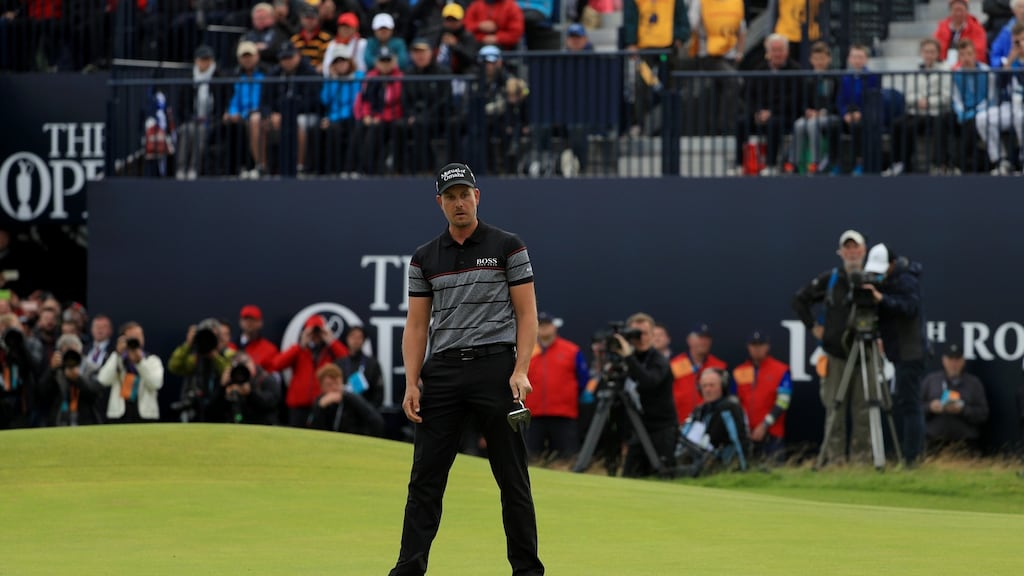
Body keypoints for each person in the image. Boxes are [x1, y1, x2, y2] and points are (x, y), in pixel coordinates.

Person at [390, 162, 543, 576]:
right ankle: (408, 569)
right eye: (451, 196)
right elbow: (417, 324)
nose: (459, 203)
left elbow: (527, 315)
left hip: (496, 368)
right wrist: (412, 381)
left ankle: (527, 571)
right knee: (425, 479)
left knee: (513, 480)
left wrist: (521, 369)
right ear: (439, 203)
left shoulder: (508, 245)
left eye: (465, 194)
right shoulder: (425, 257)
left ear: (478, 196)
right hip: (443, 373)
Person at [792, 229, 870, 464]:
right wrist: (813, 326)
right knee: (834, 413)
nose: (852, 252)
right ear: (840, 252)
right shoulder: (832, 279)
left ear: (864, 250)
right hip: (835, 355)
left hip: (865, 356)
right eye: (847, 248)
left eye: (855, 247)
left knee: (864, 412)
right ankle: (835, 462)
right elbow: (799, 300)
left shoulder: (872, 279)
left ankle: (862, 463)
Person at [862, 243, 928, 465]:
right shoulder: (888, 281)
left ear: (892, 264)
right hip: (899, 352)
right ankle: (913, 456)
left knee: (910, 405)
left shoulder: (907, 280)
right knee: (907, 404)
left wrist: (881, 299)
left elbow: (910, 308)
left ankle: (912, 459)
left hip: (911, 352)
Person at [524, 312, 588, 463]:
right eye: (541, 323)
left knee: (567, 459)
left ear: (555, 326)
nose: (544, 327)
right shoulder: (527, 350)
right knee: (530, 460)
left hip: (563, 415)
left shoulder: (571, 350)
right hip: (533, 415)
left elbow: (583, 380)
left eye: (547, 324)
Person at [733, 34, 801, 176]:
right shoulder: (759, 70)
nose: (777, 54)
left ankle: (771, 165)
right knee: (741, 122)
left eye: (780, 50)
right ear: (768, 52)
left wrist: (771, 112)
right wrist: (757, 112)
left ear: (787, 52)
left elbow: (795, 98)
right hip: (759, 114)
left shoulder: (795, 70)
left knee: (774, 123)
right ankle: (739, 164)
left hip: (784, 115)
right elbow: (747, 96)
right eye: (774, 50)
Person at [885, 38, 953, 176]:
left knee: (937, 124)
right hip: (916, 110)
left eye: (932, 52)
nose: (929, 55)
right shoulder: (914, 70)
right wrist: (918, 101)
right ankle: (900, 163)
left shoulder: (945, 70)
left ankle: (938, 165)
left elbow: (946, 96)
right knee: (897, 124)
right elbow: (908, 94)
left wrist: (929, 101)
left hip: (935, 112)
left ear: (938, 53)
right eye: (926, 51)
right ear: (921, 53)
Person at [269, 314, 349, 427]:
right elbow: (276, 364)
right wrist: (301, 344)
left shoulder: (330, 351)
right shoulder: (299, 350)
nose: (315, 336)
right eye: (312, 332)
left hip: (322, 404)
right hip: (298, 406)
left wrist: (331, 341)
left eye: (318, 332)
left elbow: (346, 360)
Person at [676, 368, 750, 477]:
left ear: (722, 387)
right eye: (704, 386)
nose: (707, 389)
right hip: (696, 458)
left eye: (712, 385)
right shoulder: (700, 410)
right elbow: (683, 436)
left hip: (721, 462)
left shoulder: (730, 407)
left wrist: (744, 469)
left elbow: (739, 440)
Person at [732, 331, 792, 461]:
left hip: (772, 434)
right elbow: (734, 402)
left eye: (761, 345)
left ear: (767, 347)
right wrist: (743, 427)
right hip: (746, 434)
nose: (757, 348)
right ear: (748, 347)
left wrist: (764, 425)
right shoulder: (739, 371)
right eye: (754, 345)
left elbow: (783, 402)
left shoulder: (780, 369)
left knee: (774, 475)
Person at [921, 344, 989, 455]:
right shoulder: (931, 380)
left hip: (966, 444)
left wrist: (962, 410)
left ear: (963, 361)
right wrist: (930, 407)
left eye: (957, 360)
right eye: (950, 359)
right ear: (944, 360)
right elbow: (915, 409)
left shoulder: (974, 383)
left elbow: (983, 414)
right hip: (934, 444)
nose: (954, 364)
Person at [975, 22, 1024, 175]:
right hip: (1010, 106)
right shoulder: (1008, 61)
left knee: (1021, 118)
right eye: (1016, 41)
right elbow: (1000, 85)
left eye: (1022, 40)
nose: (1019, 45)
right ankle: (1000, 161)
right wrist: (1009, 61)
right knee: (983, 118)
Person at [168, 318, 235, 422]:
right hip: (194, 409)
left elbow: (229, 373)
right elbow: (174, 366)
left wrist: (215, 357)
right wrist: (188, 344)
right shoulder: (194, 358)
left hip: (220, 409)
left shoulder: (228, 355)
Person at [97, 322, 164, 423]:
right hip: (119, 415)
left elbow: (155, 384)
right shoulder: (116, 360)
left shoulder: (152, 360)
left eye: (139, 335)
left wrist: (140, 362)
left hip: (146, 416)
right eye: (133, 336)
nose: (137, 339)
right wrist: (117, 354)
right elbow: (103, 380)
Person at [175, 45, 222, 181]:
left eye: (207, 59)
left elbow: (222, 103)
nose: (204, 62)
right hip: (192, 120)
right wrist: (191, 118)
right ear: (196, 61)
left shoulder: (219, 77)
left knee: (200, 131)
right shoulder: (189, 79)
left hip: (212, 121)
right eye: (202, 59)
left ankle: (194, 169)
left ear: (212, 61)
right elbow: (181, 106)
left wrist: (212, 118)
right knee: (185, 130)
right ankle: (181, 168)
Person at [790, 41, 838, 174]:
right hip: (811, 115)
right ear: (811, 60)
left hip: (831, 116)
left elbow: (837, 101)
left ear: (829, 59)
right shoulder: (807, 79)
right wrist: (807, 110)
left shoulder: (835, 78)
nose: (819, 62)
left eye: (822, 58)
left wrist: (823, 112)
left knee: (812, 125)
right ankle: (794, 164)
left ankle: (816, 164)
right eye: (816, 59)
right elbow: (802, 100)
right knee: (798, 125)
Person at [223, 41, 268, 179]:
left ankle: (260, 166)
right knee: (231, 123)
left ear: (257, 56)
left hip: (261, 114)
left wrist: (261, 112)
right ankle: (236, 170)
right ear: (239, 59)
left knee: (255, 121)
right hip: (243, 115)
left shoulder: (266, 75)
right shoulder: (235, 77)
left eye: (250, 56)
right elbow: (233, 100)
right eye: (244, 56)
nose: (247, 59)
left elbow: (268, 99)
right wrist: (231, 112)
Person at [950, 39, 996, 173]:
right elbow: (956, 98)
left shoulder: (987, 71)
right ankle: (948, 163)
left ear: (975, 55)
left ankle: (959, 164)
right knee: (948, 121)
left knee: (972, 123)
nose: (966, 58)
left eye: (969, 54)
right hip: (965, 112)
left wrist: (976, 111)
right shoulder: (956, 74)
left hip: (984, 111)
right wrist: (962, 112)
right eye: (962, 55)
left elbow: (991, 97)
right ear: (959, 57)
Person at [835, 43, 881, 175]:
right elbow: (840, 101)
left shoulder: (873, 77)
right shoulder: (845, 78)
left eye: (860, 57)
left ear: (866, 59)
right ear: (849, 59)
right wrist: (845, 114)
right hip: (848, 115)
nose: (857, 60)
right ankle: (835, 162)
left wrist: (860, 113)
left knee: (858, 127)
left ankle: (859, 162)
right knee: (833, 126)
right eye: (854, 57)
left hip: (865, 116)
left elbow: (873, 100)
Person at [669, 323, 728, 424]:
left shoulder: (719, 366)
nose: (703, 342)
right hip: (679, 423)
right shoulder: (674, 365)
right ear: (689, 340)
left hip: (711, 424)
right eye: (700, 338)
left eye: (707, 338)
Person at [207, 352, 281, 425]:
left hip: (262, 426)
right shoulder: (232, 381)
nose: (242, 371)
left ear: (251, 362)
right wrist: (222, 387)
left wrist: (250, 394)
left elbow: (270, 403)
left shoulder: (265, 378)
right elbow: (212, 410)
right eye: (238, 367)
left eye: (244, 363)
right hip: (236, 427)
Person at [309, 363, 385, 435]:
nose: (334, 388)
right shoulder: (320, 402)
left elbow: (377, 421)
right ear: (321, 386)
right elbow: (313, 430)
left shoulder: (350, 399)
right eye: (329, 385)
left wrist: (349, 396)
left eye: (337, 383)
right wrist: (320, 407)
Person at [337, 325, 384, 407]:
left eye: (359, 337)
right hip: (344, 410)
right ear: (347, 339)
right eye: (353, 336)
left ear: (363, 340)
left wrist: (370, 411)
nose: (356, 340)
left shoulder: (372, 364)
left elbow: (379, 392)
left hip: (366, 411)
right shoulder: (339, 363)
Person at [935, 0, 988, 66]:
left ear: (967, 11)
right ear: (950, 11)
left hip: (968, 67)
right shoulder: (942, 28)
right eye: (955, 10)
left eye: (961, 10)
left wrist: (958, 66)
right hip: (945, 67)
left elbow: (979, 53)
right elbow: (937, 50)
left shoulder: (977, 29)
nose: (958, 13)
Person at [237, 305, 280, 372]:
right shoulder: (231, 346)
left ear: (260, 323)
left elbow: (275, 378)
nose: (249, 323)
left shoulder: (270, 349)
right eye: (246, 319)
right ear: (240, 322)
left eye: (252, 320)